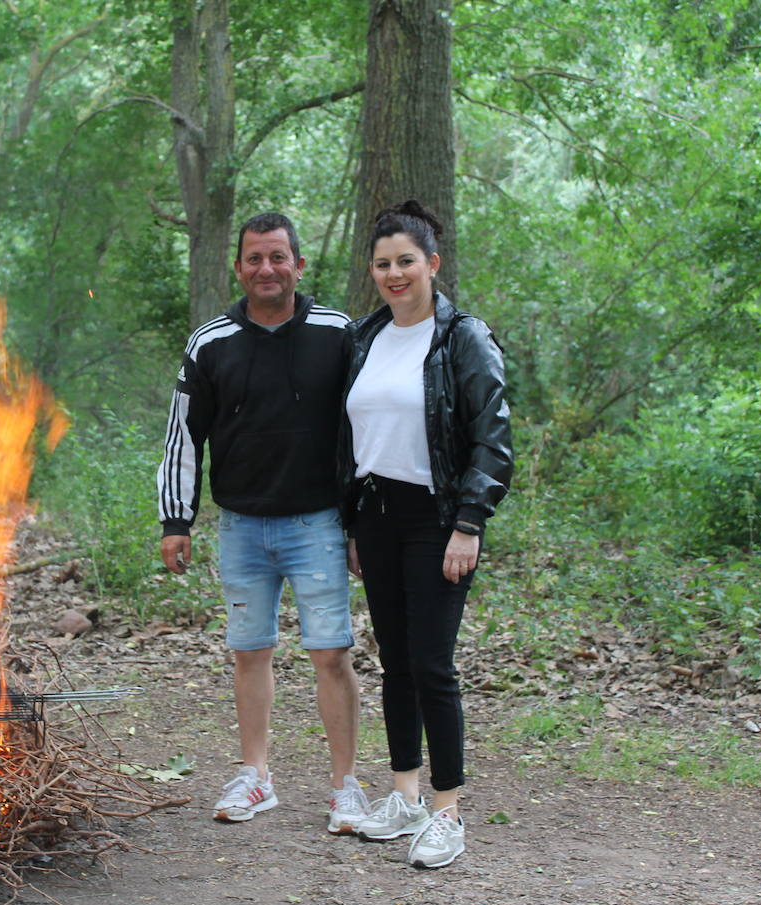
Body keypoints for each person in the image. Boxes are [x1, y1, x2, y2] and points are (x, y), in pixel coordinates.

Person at [157, 211, 367, 833]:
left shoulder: (338, 334)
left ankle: (345, 789)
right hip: (242, 525)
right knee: (250, 652)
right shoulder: (210, 342)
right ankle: (257, 778)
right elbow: (183, 437)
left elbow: (364, 430)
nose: (266, 269)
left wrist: (359, 523)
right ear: (240, 267)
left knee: (331, 653)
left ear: (299, 265)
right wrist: (177, 520)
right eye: (254, 258)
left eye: (278, 257)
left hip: (319, 524)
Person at [339, 200, 512, 868]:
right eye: (382, 264)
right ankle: (404, 798)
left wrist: (470, 523)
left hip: (439, 518)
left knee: (433, 666)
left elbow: (493, 439)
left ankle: (447, 814)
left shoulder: (463, 338)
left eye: (406, 261)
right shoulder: (366, 338)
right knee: (397, 662)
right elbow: (352, 438)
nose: (394, 273)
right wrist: (353, 520)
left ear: (432, 263)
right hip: (377, 515)